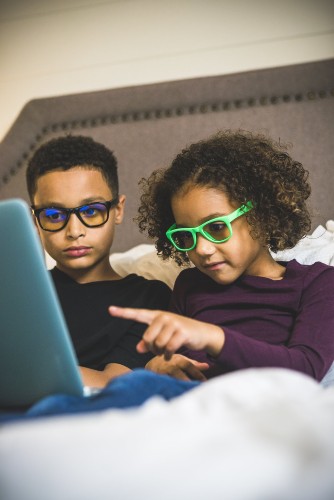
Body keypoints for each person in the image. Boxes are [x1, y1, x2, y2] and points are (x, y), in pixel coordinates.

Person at [109, 129, 334, 382]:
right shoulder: (189, 285)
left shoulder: (318, 282)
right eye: (186, 235)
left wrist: (212, 337)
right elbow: (175, 361)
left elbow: (306, 369)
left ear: (260, 215)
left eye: (216, 227)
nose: (202, 249)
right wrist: (156, 365)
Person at [26, 134, 171, 388]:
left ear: (118, 210)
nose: (74, 231)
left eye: (91, 211)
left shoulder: (149, 298)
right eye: (53, 214)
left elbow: (111, 383)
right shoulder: (22, 295)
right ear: (36, 220)